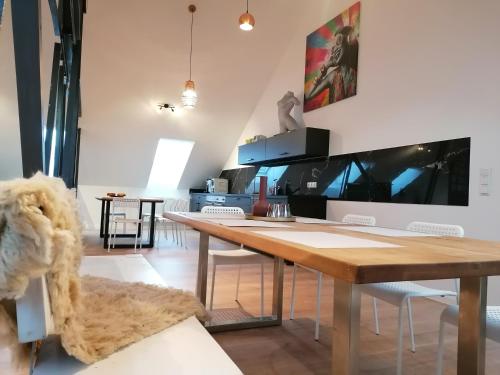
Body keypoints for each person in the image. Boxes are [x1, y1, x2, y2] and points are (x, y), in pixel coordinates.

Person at [305, 26, 359, 105]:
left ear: (348, 44)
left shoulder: (357, 74)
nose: (334, 49)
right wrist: (326, 67)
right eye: (333, 46)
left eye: (339, 42)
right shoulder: (333, 76)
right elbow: (308, 96)